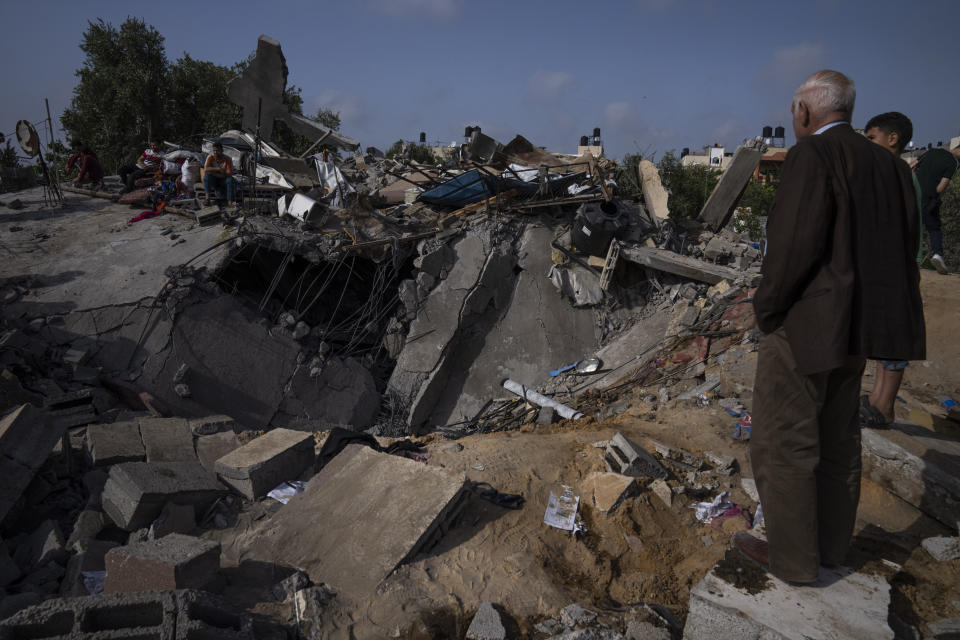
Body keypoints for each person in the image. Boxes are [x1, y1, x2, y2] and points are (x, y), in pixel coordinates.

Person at [735, 70, 925, 584]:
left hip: (807, 325)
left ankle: (794, 563)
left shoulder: (811, 156)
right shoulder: (888, 165)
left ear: (803, 112)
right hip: (859, 329)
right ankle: (830, 551)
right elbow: (903, 246)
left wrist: (768, 309)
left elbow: (793, 245)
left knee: (784, 443)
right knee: (838, 440)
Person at [859, 112, 923, 426]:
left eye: (872, 138)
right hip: (893, 265)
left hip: (895, 266)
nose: (869, 145)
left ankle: (884, 407)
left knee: (895, 338)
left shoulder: (896, 170)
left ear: (892, 139)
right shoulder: (896, 170)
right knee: (887, 337)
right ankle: (876, 399)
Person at [913, 139, 960, 274]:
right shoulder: (953, 163)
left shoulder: (932, 151)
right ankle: (937, 254)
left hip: (911, 190)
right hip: (927, 198)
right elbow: (940, 188)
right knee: (934, 228)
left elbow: (913, 165)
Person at [203, 142, 235, 206]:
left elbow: (229, 173)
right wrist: (219, 169)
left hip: (223, 179)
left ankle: (229, 202)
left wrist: (214, 172)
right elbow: (206, 169)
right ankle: (207, 199)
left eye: (217, 150)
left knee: (230, 180)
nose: (215, 152)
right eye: (214, 150)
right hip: (214, 179)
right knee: (207, 177)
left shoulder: (227, 159)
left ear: (222, 150)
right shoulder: (210, 157)